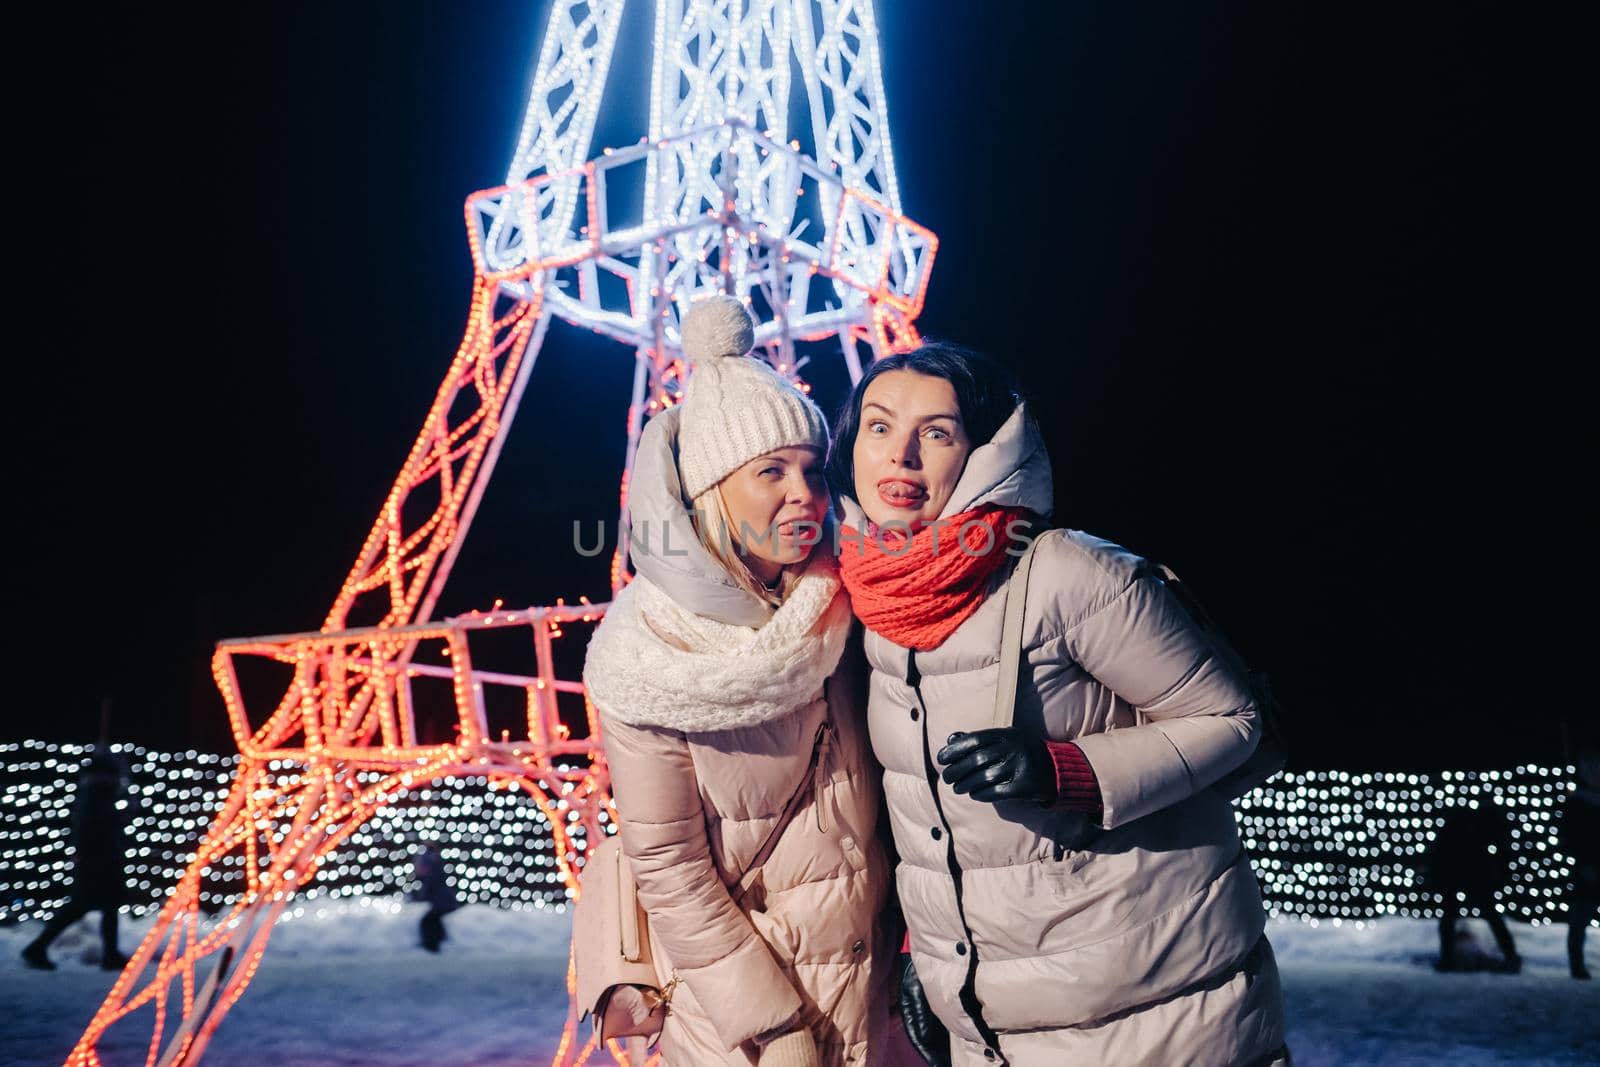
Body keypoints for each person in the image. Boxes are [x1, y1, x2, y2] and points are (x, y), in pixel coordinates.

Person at [827, 343, 1289, 1066]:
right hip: (997, 1026)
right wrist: (933, 956)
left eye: (938, 432)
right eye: (879, 427)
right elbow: (929, 824)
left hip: (1153, 1013)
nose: (902, 457)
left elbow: (1235, 720)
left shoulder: (1069, 572)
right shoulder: (865, 600)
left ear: (986, 450)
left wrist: (1064, 770)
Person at [581, 296, 910, 1067]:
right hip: (745, 1027)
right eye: (771, 471)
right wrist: (771, 1022)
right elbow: (670, 869)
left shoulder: (845, 605)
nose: (806, 493)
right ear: (712, 492)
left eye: (811, 470)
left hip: (876, 995)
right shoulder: (646, 653)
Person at [22, 752, 132, 971]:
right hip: (99, 861)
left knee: (102, 907)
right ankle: (37, 947)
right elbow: (100, 826)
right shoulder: (97, 796)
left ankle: (110, 953)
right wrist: (125, 812)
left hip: (100, 859)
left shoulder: (97, 794)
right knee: (82, 907)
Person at [1421, 801, 1520, 973]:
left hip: (1456, 871)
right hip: (1473, 872)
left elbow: (1439, 852)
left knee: (1450, 916)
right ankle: (1511, 956)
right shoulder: (1480, 826)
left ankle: (1447, 958)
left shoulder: (1456, 825)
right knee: (1487, 914)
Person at [1558, 741, 1600, 980]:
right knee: (1580, 917)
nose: (1594, 772)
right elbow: (1570, 837)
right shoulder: (1577, 803)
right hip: (1587, 869)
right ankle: (1577, 965)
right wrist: (1584, 864)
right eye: (1588, 767)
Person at [412, 842, 459, 952]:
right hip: (444, 901)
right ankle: (437, 942)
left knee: (428, 921)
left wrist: (418, 898)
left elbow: (427, 891)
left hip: (444, 902)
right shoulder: (435, 864)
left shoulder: (432, 870)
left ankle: (432, 944)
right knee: (432, 920)